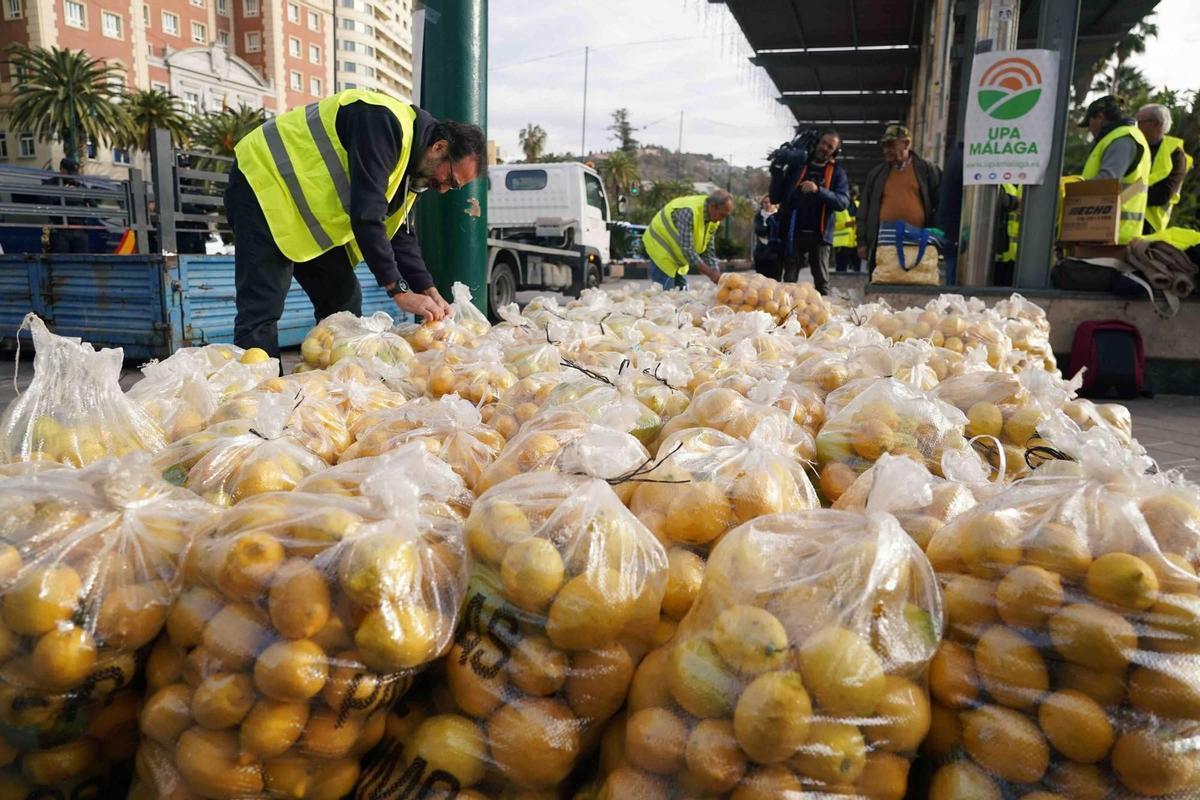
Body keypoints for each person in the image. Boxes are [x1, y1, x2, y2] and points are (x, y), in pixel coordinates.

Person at [226, 87, 486, 356]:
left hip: (304, 214)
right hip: (262, 183)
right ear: (439, 147)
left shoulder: (414, 169)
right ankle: (262, 392)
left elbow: (400, 234)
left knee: (343, 299)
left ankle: (340, 383)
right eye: (451, 180)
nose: (443, 189)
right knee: (262, 307)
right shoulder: (382, 123)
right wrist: (399, 290)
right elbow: (367, 214)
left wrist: (426, 288)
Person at [857, 124, 941, 275]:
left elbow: (939, 205)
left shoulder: (927, 171)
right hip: (883, 244)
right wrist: (862, 242)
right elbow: (864, 209)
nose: (886, 150)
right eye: (884, 146)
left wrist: (935, 237)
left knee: (913, 282)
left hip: (916, 243)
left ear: (906, 143)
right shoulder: (876, 174)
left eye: (890, 145)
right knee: (881, 282)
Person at [777, 129, 849, 294]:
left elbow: (843, 201)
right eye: (823, 143)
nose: (824, 148)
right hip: (794, 232)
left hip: (820, 235)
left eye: (830, 147)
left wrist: (819, 190)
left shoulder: (837, 172)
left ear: (835, 152)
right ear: (817, 143)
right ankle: (786, 315)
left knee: (822, 282)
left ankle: (824, 315)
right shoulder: (799, 165)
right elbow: (782, 193)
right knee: (789, 280)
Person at [1079, 94, 1150, 245]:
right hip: (1106, 232)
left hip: (1110, 235)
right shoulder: (1121, 137)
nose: (1089, 130)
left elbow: (1106, 182)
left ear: (1100, 116)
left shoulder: (1122, 140)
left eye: (1089, 123)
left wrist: (1069, 190)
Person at [641, 189, 733, 290]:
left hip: (678, 258)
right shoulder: (689, 212)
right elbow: (687, 249)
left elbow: (708, 250)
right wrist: (711, 274)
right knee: (665, 298)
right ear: (713, 207)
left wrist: (717, 276)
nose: (722, 219)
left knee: (682, 298)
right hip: (661, 250)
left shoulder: (713, 219)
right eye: (722, 215)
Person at [1136, 102, 1193, 233]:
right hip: (1125, 217)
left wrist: (1127, 197)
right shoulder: (1136, 146)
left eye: (1140, 122)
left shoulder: (1175, 153)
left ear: (1157, 123)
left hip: (1149, 224)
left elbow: (1165, 193)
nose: (1135, 126)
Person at [45, 158, 91, 254]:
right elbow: (45, 203)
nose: (72, 177)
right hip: (60, 230)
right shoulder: (51, 184)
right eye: (69, 173)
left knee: (82, 262)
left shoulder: (80, 186)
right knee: (62, 263)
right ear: (61, 169)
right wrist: (62, 192)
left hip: (79, 230)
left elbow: (93, 205)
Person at [752, 195, 782, 280]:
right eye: (765, 202)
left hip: (775, 253)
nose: (767, 204)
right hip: (760, 252)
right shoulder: (759, 216)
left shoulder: (779, 216)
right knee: (761, 278)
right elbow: (759, 230)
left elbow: (780, 232)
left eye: (770, 202)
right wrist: (771, 229)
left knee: (775, 279)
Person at [833, 188, 859, 273]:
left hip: (856, 243)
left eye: (854, 195)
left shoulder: (859, 205)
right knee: (841, 270)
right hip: (842, 244)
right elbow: (831, 225)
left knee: (858, 272)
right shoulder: (838, 206)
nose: (852, 197)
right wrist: (845, 224)